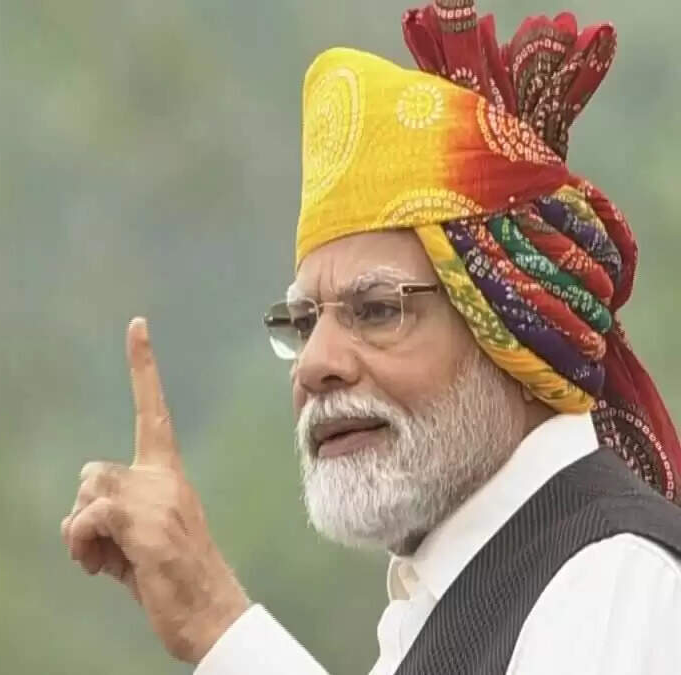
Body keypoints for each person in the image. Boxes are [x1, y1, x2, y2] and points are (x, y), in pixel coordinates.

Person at [59, 2, 681, 672]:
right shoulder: (448, 593)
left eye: (378, 310)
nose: (315, 364)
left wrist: (213, 616)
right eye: (304, 322)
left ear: (517, 332)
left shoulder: (613, 580)